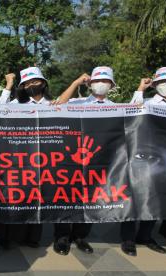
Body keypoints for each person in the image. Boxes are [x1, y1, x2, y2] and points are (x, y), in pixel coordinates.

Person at [51, 66, 118, 256]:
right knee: (66, 198)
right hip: (72, 161)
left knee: (91, 200)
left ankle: (80, 236)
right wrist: (74, 83)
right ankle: (62, 237)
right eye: (97, 80)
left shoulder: (117, 108)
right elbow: (57, 105)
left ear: (112, 85)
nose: (101, 84)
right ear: (89, 84)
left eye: (105, 81)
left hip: (99, 164)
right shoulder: (78, 102)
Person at [0, 67, 52, 249]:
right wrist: (8, 85)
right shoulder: (16, 104)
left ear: (44, 83)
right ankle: (6, 236)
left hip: (43, 160)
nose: (32, 85)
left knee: (36, 197)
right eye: (27, 83)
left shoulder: (52, 104)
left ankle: (31, 237)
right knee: (13, 196)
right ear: (22, 86)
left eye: (35, 82)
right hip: (17, 158)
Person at [119, 67, 166, 256]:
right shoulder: (145, 102)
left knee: (156, 198)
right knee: (134, 198)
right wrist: (140, 89)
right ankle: (128, 239)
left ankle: (145, 236)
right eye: (162, 82)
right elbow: (129, 114)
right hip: (140, 157)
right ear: (155, 84)